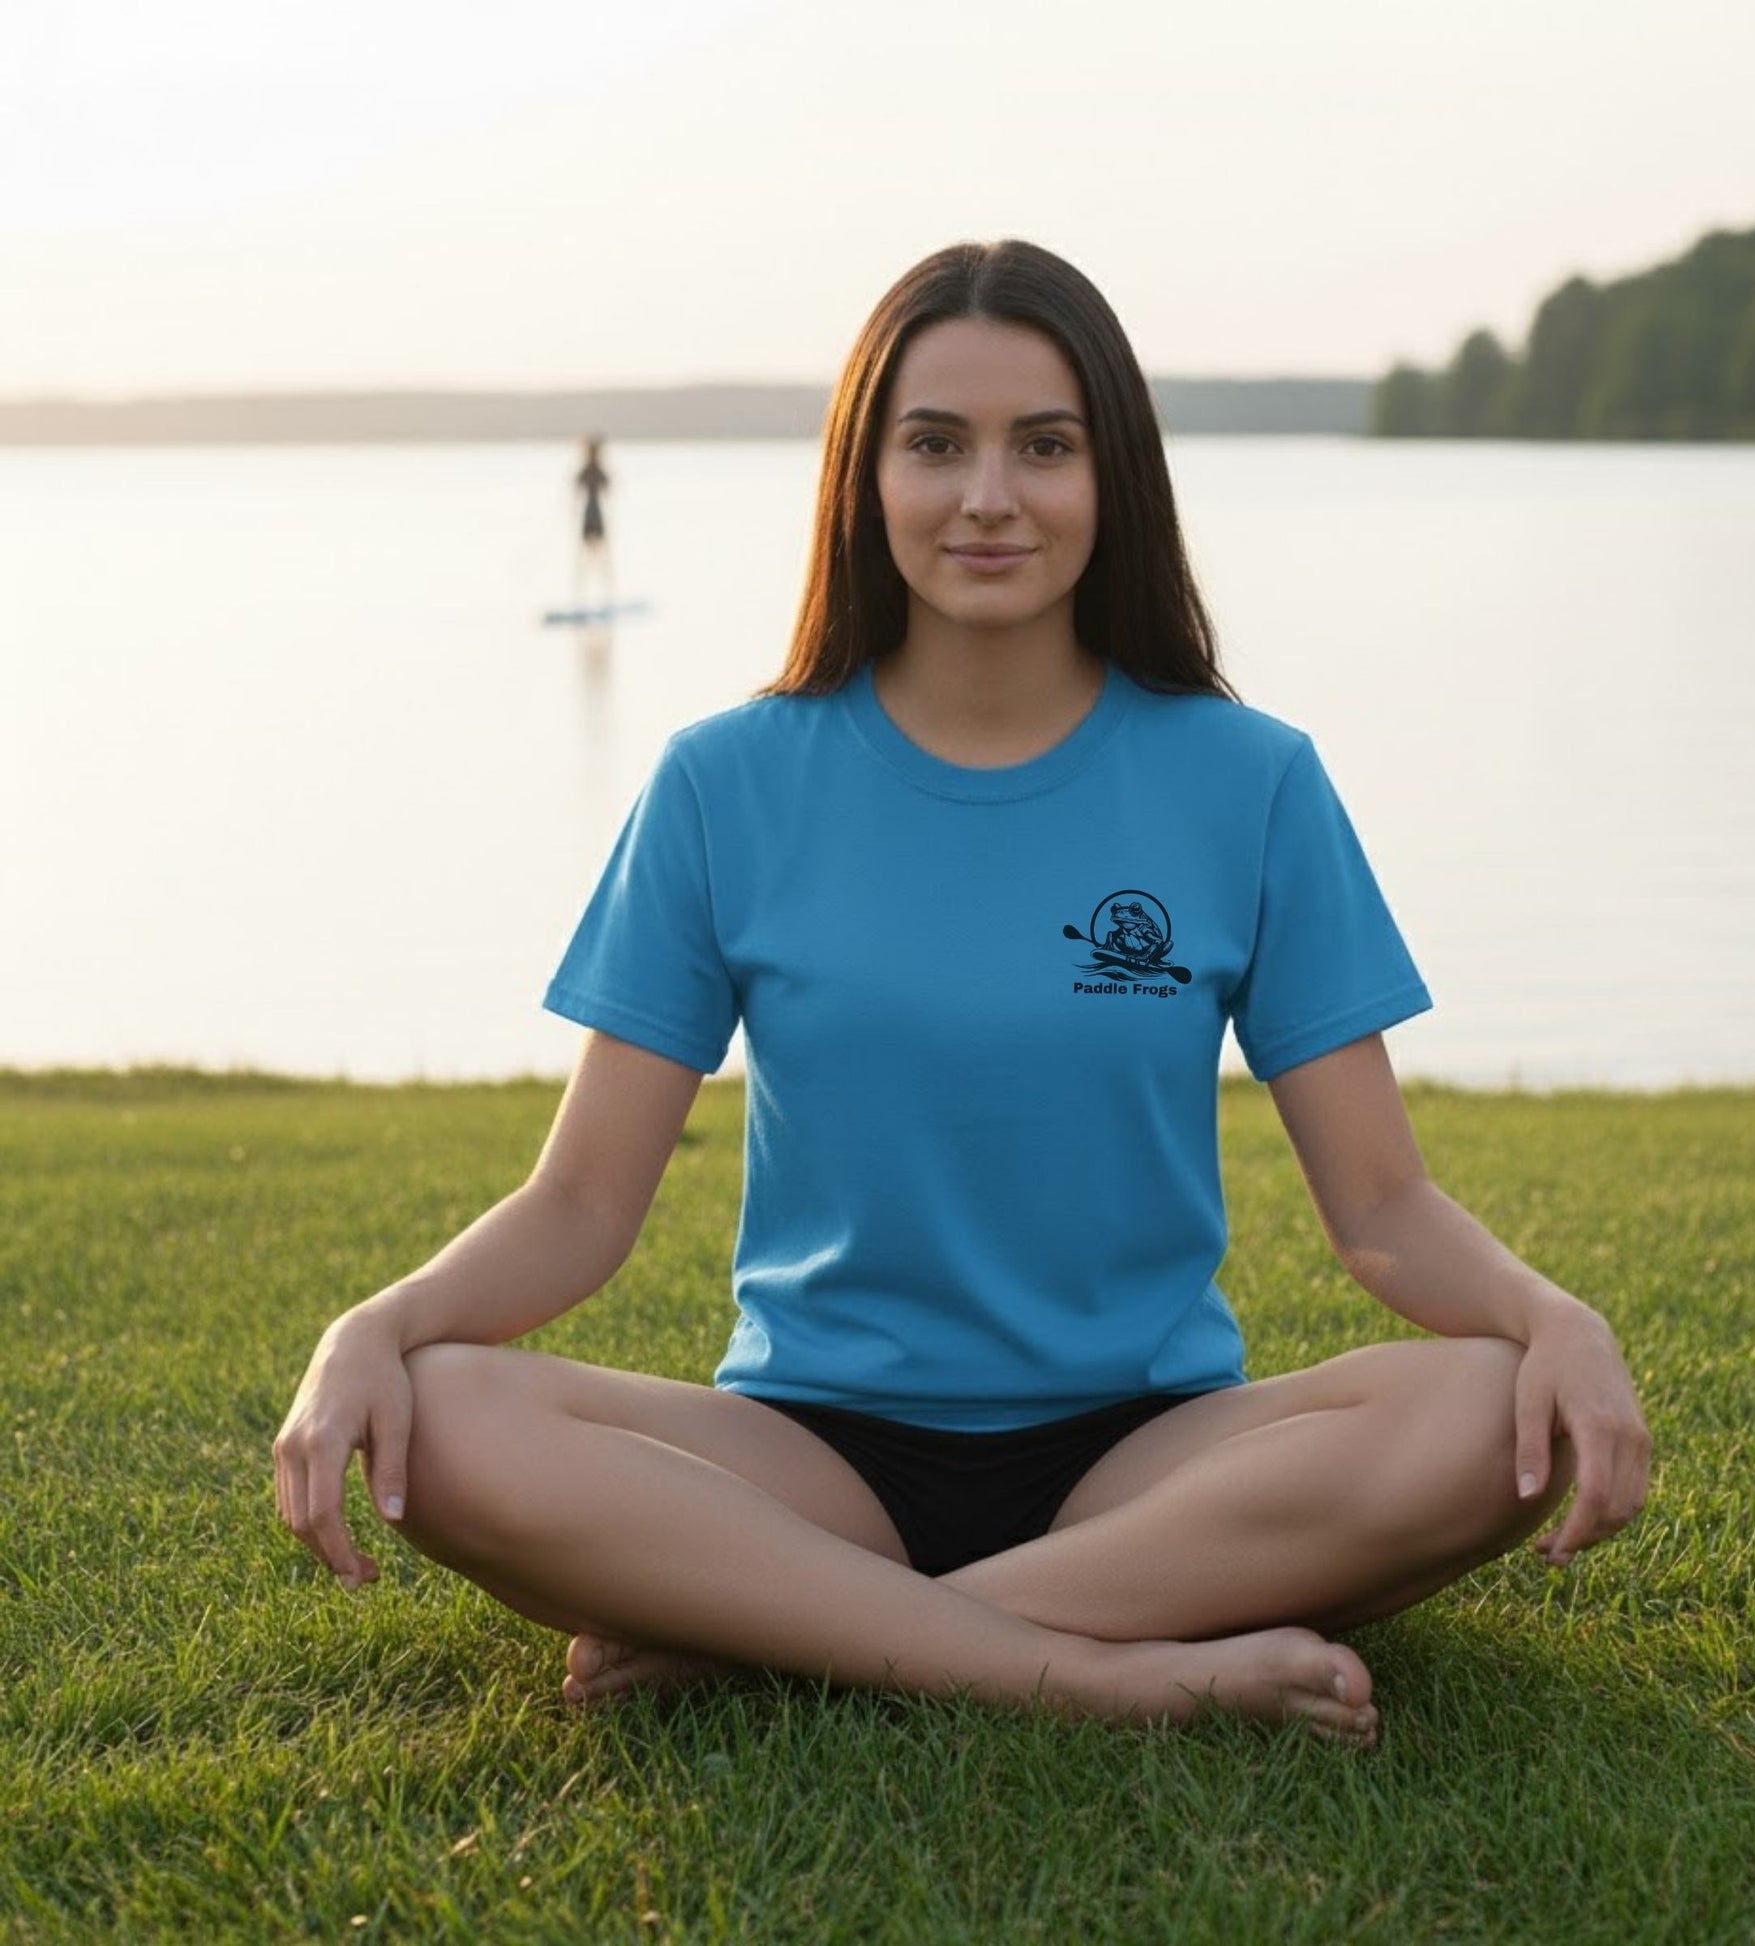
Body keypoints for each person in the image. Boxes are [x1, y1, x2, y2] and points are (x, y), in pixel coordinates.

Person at [275, 240, 1650, 1744]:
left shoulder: (1247, 780)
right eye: (935, 444)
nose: (986, 495)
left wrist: (1546, 1310)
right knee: (455, 1418)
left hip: (1149, 1459)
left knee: (1482, 1414)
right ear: (865, 477)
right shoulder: (725, 781)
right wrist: (374, 1323)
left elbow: (1381, 1208)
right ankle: (1114, 1669)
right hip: (806, 1461)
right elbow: (581, 1207)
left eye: (1042, 447)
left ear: (1109, 475)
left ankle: (781, 1632)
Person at [572, 434, 613, 605]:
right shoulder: (590, 470)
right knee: (592, 556)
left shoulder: (594, 470)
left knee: (598, 556)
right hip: (591, 513)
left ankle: (605, 595)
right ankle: (583, 596)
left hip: (594, 513)